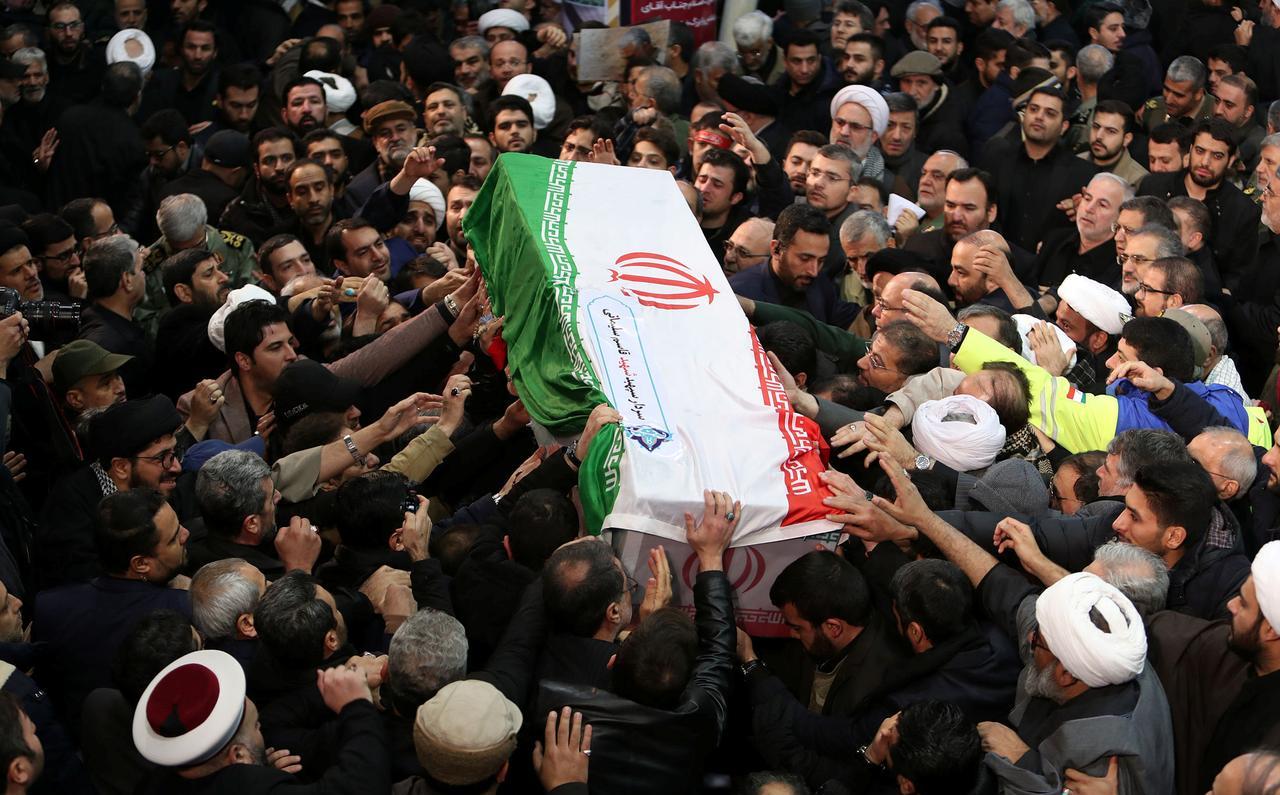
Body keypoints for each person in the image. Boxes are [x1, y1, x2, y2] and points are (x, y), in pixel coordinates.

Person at [730, 204, 858, 328]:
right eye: (805, 258)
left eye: (821, 261)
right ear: (776, 250)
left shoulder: (820, 284)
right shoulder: (739, 294)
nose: (813, 271)